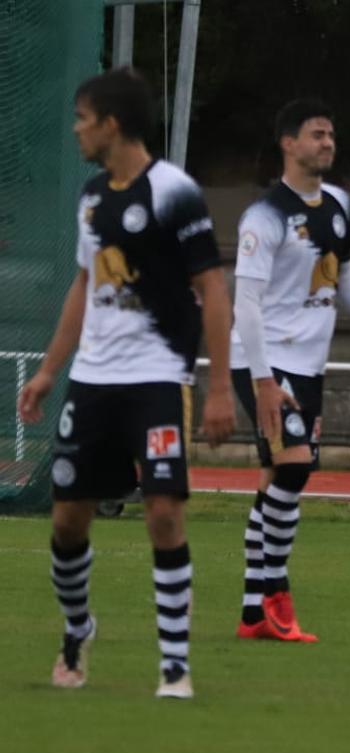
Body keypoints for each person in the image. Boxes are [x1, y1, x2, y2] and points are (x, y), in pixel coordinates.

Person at [17, 68, 236, 698]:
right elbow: (86, 286)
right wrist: (49, 370)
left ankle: (174, 664)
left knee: (164, 514)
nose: (78, 130)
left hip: (157, 381)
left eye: (83, 118)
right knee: (67, 523)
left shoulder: (175, 193)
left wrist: (219, 387)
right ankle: (78, 628)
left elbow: (211, 289)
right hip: (92, 383)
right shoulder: (90, 197)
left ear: (111, 123)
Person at [230, 99, 350, 643]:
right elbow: (245, 303)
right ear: (288, 143)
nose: (328, 143)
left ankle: (250, 614)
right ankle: (276, 595)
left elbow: (345, 275)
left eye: (331, 134)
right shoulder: (263, 216)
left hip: (308, 363)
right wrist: (263, 380)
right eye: (317, 134)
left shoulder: (337, 203)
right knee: (294, 470)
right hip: (265, 359)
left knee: (274, 482)